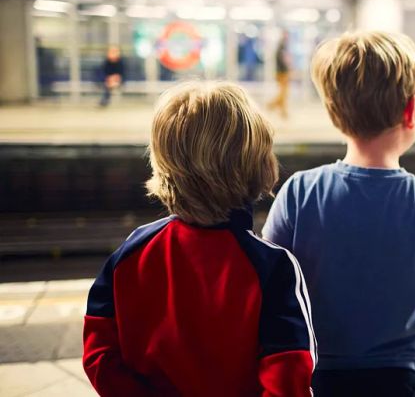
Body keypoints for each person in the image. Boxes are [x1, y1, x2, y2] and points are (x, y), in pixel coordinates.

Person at [262, 31, 415, 397]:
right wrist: (402, 292)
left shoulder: (299, 192)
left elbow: (269, 294)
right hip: (396, 382)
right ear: (410, 110)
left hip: (315, 377)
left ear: (333, 112)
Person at [83, 81, 316, 396]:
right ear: (258, 164)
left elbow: (100, 353)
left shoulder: (133, 252)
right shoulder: (273, 267)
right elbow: (290, 374)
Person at [267, 30, 291, 118]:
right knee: (283, 92)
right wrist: (287, 66)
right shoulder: (281, 46)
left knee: (284, 92)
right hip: (282, 72)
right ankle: (271, 105)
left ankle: (283, 112)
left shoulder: (282, 46)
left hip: (281, 71)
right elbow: (283, 60)